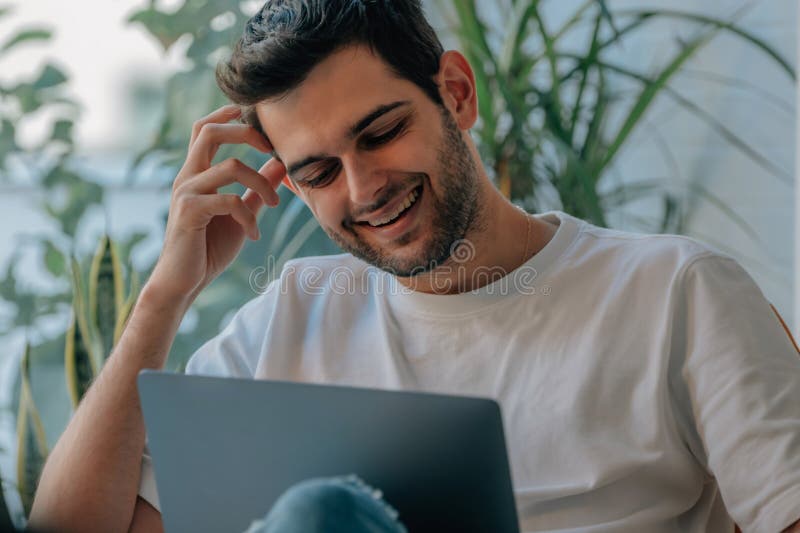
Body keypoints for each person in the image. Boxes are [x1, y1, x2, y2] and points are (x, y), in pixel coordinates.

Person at [28, 0, 800, 532]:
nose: (364, 189)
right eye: (318, 172)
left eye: (381, 132)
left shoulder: (675, 291)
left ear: (456, 94)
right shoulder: (286, 319)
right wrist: (165, 296)